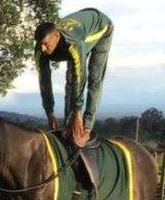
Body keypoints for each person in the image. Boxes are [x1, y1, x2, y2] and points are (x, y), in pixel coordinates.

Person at [35, 8, 113, 145]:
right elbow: (44, 81)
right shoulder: (40, 50)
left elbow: (80, 78)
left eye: (45, 44)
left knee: (94, 78)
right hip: (81, 31)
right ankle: (68, 125)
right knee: (70, 81)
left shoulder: (72, 43)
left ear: (56, 37)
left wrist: (78, 113)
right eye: (40, 44)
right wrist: (49, 112)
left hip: (101, 28)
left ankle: (86, 128)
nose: (42, 48)